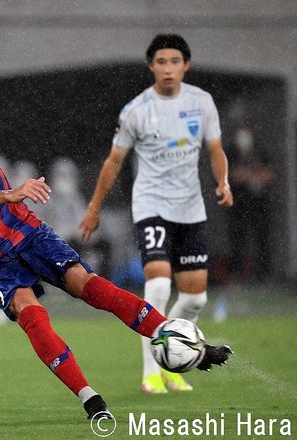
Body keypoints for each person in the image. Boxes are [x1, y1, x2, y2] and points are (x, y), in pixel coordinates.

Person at [0, 78, 232, 421]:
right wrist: (9, 194)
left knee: (90, 286)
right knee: (32, 315)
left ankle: (186, 345)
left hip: (27, 231)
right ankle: (90, 398)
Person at [79, 34, 234, 395]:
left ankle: (175, 355)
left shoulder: (202, 103)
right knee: (160, 284)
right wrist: (94, 207)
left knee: (195, 299)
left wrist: (224, 182)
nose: (168, 68)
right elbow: (114, 161)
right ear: (151, 66)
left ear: (186, 66)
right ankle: (151, 372)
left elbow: (215, 149)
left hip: (191, 209)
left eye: (174, 61)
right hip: (151, 207)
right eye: (161, 62)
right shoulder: (136, 110)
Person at [227, 125, 274, 281]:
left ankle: (263, 274)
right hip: (239, 204)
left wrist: (246, 175)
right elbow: (232, 175)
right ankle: (238, 275)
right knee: (238, 239)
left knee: (262, 238)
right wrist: (252, 175)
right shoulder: (231, 152)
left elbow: (268, 174)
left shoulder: (260, 150)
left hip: (259, 204)